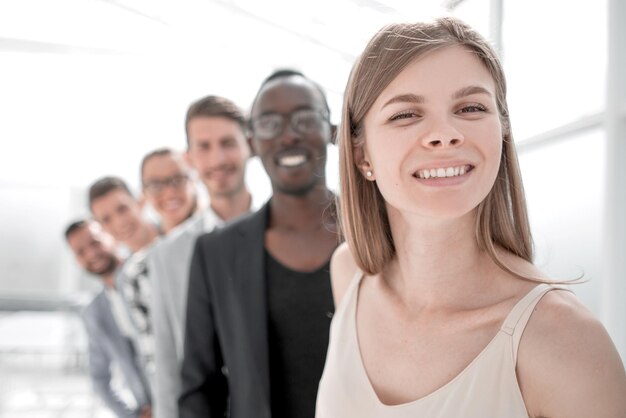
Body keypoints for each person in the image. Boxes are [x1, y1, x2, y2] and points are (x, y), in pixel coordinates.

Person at [315, 17, 626, 417]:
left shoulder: (564, 340)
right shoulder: (350, 274)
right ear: (362, 155)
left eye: (471, 107)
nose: (445, 134)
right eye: (406, 114)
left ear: (502, 132)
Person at [179, 70, 339, 418]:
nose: (289, 135)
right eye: (269, 123)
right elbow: (199, 387)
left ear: (331, 130)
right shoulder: (217, 252)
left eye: (305, 117)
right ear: (252, 140)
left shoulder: (378, 230)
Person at [147, 95, 257, 418]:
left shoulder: (284, 235)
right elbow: (168, 364)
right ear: (189, 158)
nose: (217, 158)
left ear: (249, 144)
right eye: (203, 147)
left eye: (227, 143)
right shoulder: (167, 256)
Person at [65, 220, 152, 418]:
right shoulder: (94, 313)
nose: (91, 254)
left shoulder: (149, 274)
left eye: (95, 242)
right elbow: (99, 379)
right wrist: (131, 415)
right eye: (80, 252)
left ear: (111, 235)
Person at [89, 176, 160, 384]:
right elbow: (144, 347)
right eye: (106, 219)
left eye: (122, 209)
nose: (118, 222)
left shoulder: (178, 242)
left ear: (140, 201)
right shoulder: (124, 278)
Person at [140, 148, 198, 235]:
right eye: (156, 185)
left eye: (178, 180)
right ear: (144, 193)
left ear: (193, 181)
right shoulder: (151, 246)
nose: (169, 194)